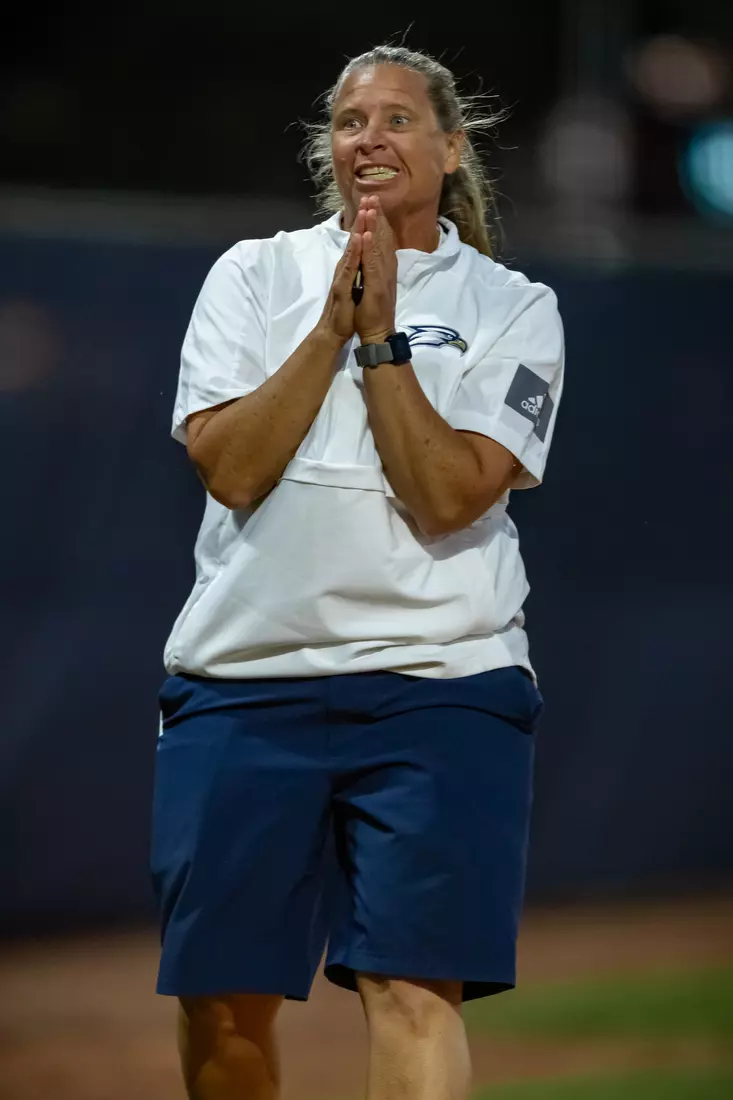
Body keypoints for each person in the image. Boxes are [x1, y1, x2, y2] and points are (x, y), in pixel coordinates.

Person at [151, 44, 564, 1100]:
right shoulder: (253, 274)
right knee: (222, 992)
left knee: (413, 986)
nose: (367, 138)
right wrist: (331, 325)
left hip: (443, 682)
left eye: (394, 118)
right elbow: (233, 467)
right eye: (347, 120)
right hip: (245, 678)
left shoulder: (513, 305)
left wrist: (382, 341)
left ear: (451, 145)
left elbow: (448, 493)